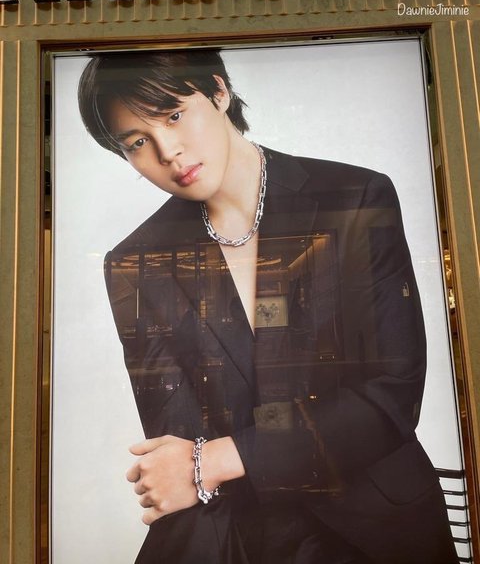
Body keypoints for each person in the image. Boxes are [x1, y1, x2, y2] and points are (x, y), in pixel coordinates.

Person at [78, 49, 459, 564]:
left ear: (218, 91)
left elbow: (391, 396)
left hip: (378, 528)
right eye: (137, 142)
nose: (168, 151)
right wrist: (198, 469)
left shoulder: (354, 197)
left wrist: (222, 457)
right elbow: (181, 450)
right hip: (247, 535)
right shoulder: (136, 263)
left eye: (174, 114)